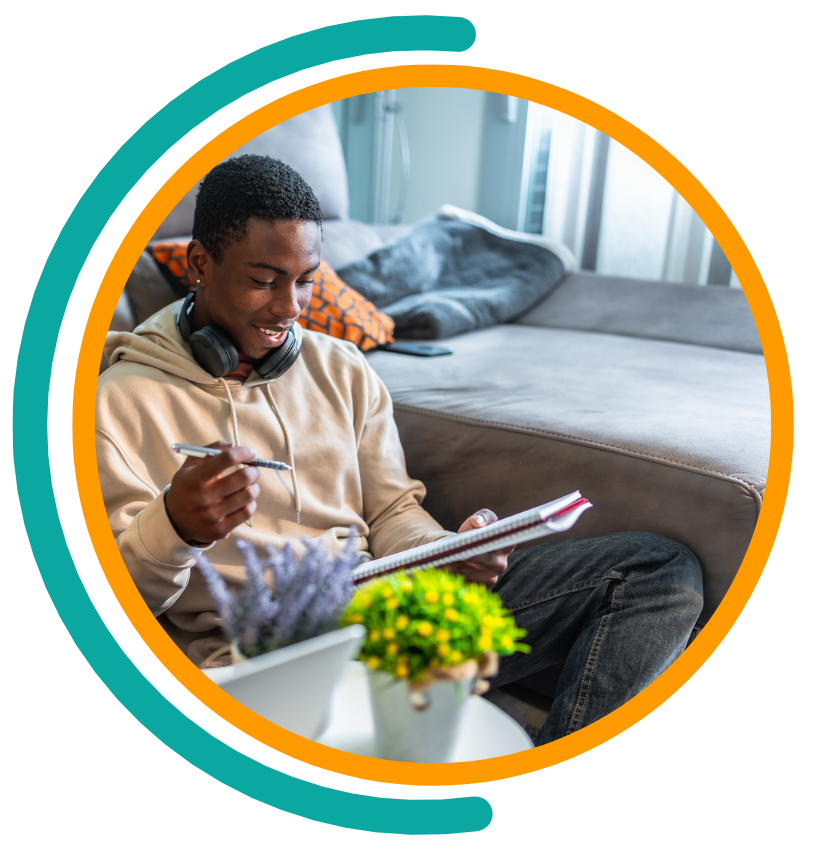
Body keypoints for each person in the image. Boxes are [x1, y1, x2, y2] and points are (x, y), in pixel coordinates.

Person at [97, 154, 703, 745]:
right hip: (264, 659)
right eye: (262, 281)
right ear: (201, 263)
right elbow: (112, 607)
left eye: (304, 281)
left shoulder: (340, 366)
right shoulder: (119, 401)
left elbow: (390, 512)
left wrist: (450, 550)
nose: (288, 308)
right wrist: (175, 526)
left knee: (657, 571)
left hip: (391, 616)